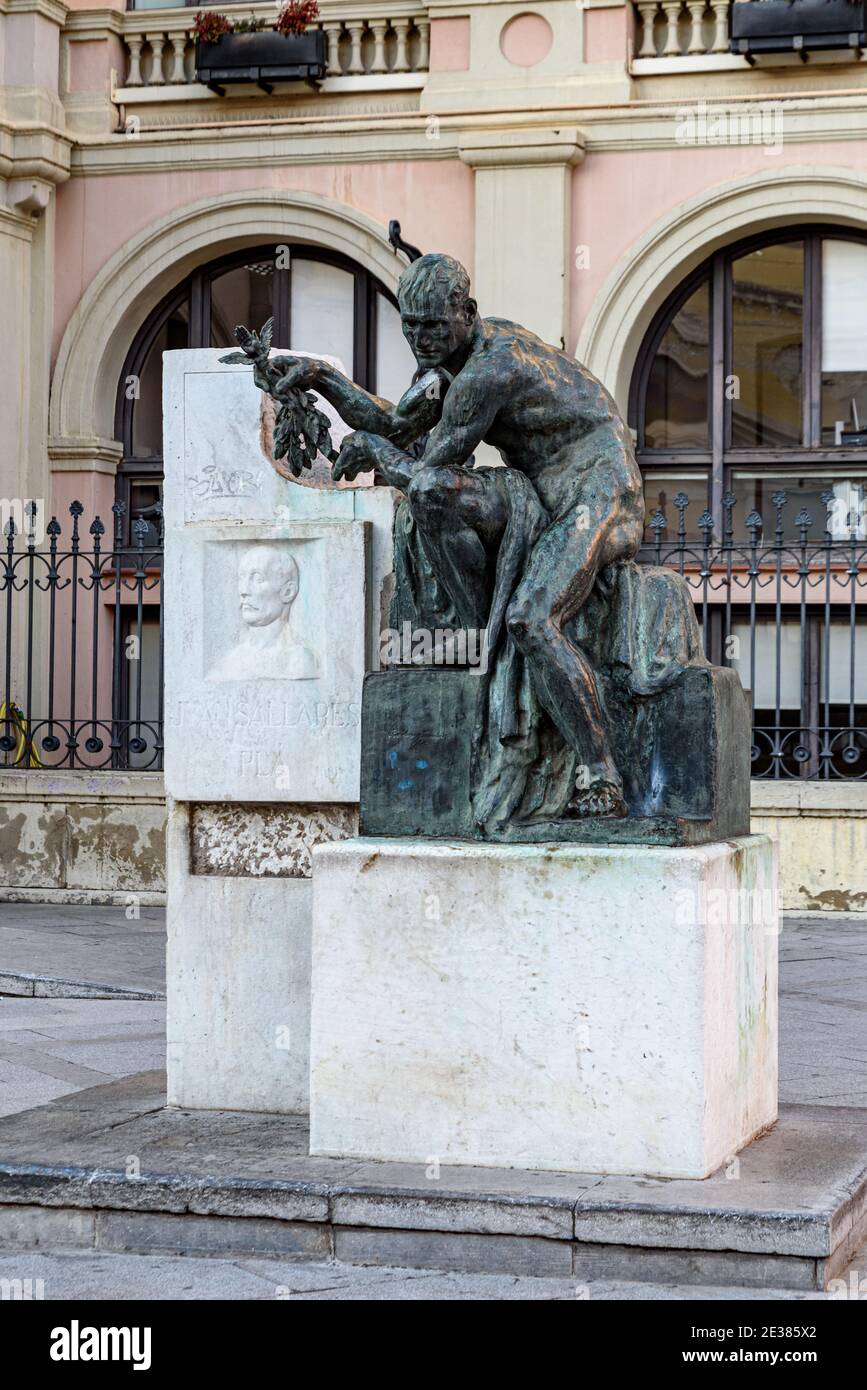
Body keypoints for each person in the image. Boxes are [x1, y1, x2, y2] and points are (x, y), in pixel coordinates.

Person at [262, 253, 645, 818]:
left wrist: (372, 452)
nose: (420, 339)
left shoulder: (491, 369)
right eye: (409, 326)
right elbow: (396, 425)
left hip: (598, 495)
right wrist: (324, 379)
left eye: (433, 326)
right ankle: (480, 631)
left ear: (467, 313)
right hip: (544, 499)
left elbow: (426, 470)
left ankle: (599, 773)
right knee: (445, 510)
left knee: (531, 618)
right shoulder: (448, 361)